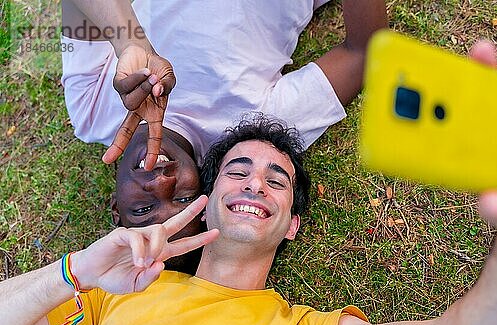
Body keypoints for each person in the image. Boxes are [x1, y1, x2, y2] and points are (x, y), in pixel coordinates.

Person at [1, 44, 497, 325]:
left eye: (276, 180)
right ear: (207, 198)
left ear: (290, 224)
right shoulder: (115, 296)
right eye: (237, 172)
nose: (255, 183)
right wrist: (73, 271)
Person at [61, 0, 387, 232]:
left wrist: (130, 42)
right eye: (183, 199)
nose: (161, 183)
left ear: (116, 208)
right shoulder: (250, 135)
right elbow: (364, 51)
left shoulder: (90, 114)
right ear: (207, 191)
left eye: (143, 209)